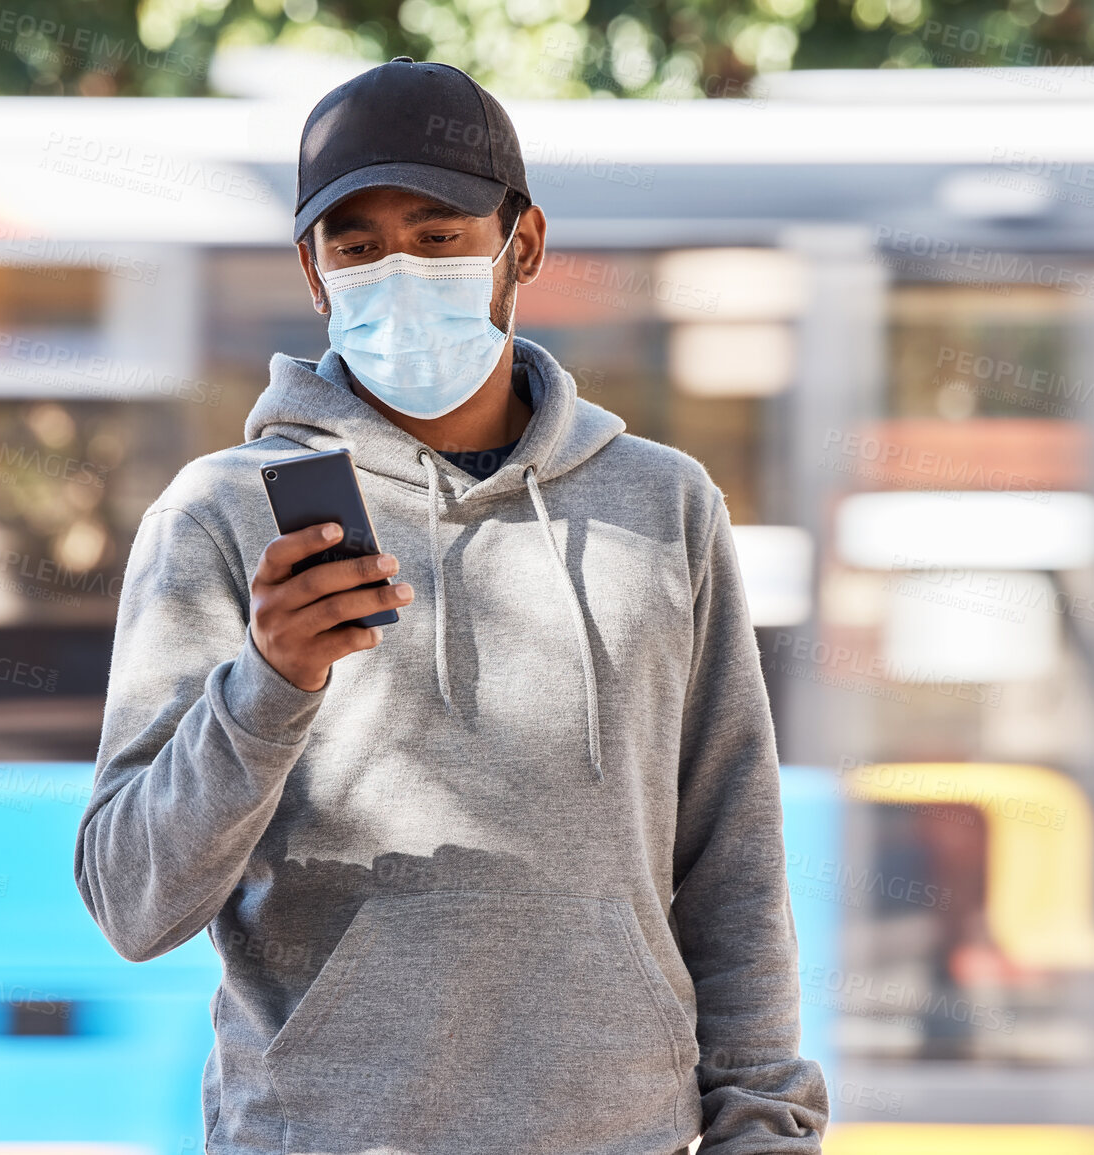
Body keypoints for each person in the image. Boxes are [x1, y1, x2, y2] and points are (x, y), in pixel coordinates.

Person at [74, 56, 829, 1155]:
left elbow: (734, 857)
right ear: (315, 269)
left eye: (437, 238)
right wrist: (267, 689)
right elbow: (133, 901)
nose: (397, 271)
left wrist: (767, 1129)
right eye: (358, 244)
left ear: (519, 246)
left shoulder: (662, 504)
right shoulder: (221, 517)